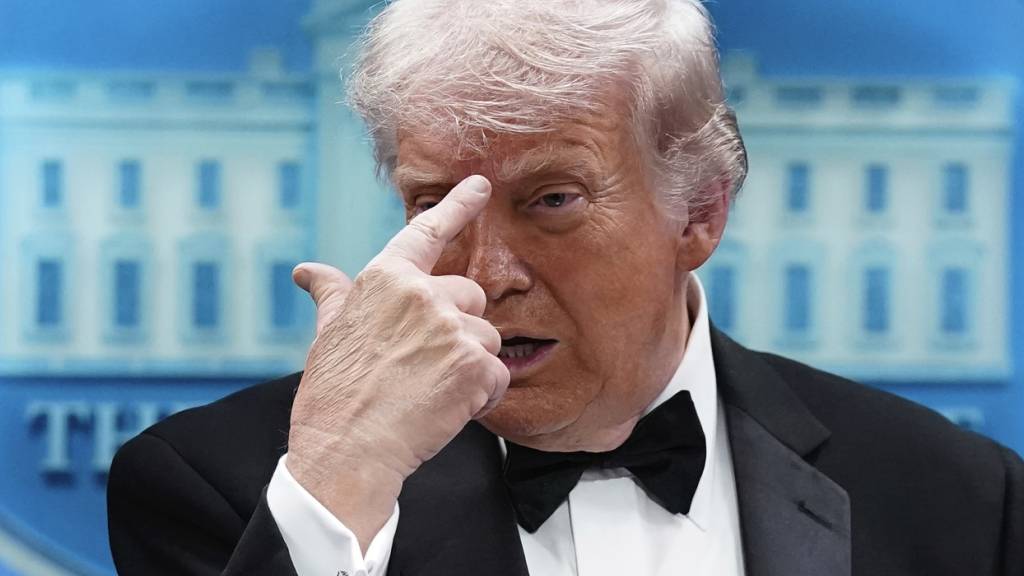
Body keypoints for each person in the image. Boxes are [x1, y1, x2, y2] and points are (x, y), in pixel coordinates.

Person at [107, 1, 1024, 575]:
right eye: (440, 205)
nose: (486, 274)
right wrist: (341, 485)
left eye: (551, 200)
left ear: (699, 212)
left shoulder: (959, 500)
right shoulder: (224, 489)